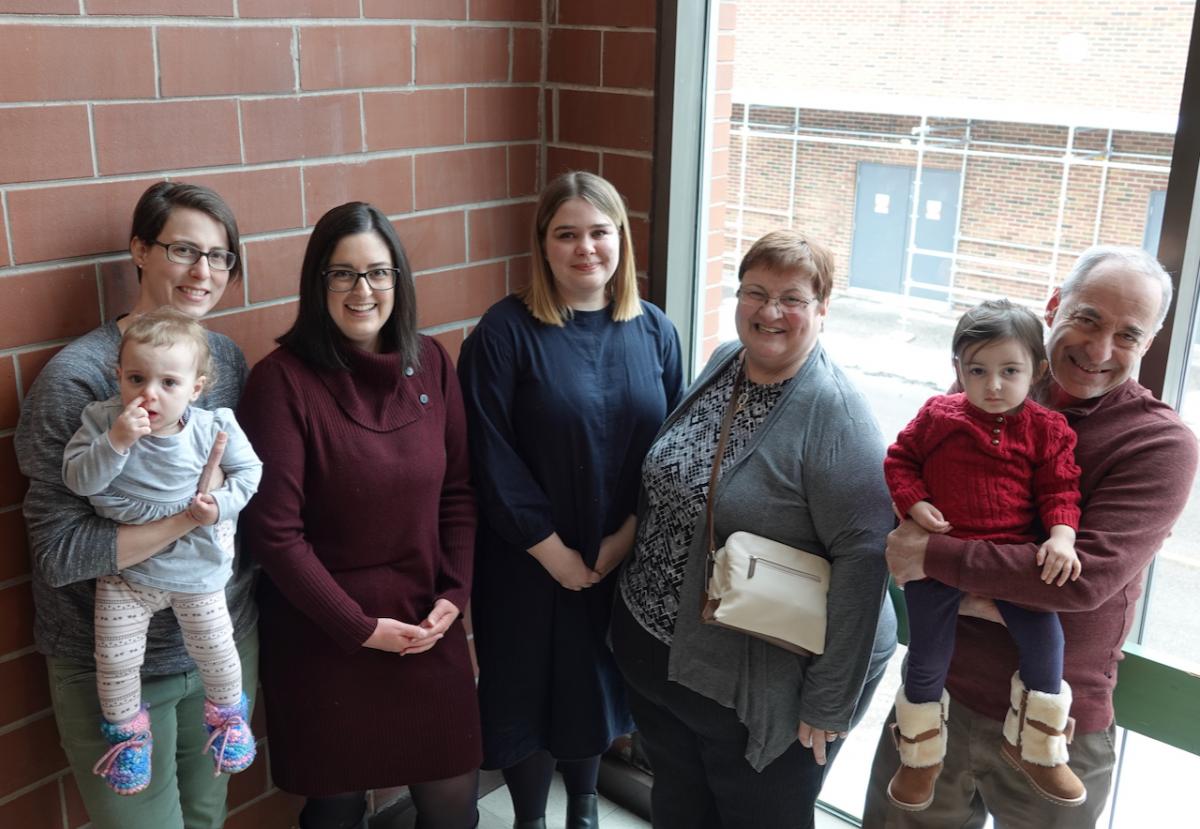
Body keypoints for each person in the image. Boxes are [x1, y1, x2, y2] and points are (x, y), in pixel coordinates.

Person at [864, 245, 1200, 828]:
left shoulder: (1159, 445)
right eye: (1088, 318)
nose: (1099, 350)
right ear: (1053, 306)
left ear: (1150, 344)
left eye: (1127, 334)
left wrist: (940, 560)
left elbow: (1080, 583)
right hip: (936, 704)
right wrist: (990, 572)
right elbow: (911, 512)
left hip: (1056, 732)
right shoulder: (986, 390)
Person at [612, 229, 897, 829]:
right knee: (679, 807)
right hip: (665, 666)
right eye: (755, 292)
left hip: (755, 690)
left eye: (792, 298)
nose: (770, 312)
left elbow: (867, 560)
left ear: (823, 310)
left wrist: (828, 700)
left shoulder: (836, 416)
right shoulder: (726, 363)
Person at [14, 182, 258, 829]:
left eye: (220, 256)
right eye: (184, 249)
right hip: (116, 666)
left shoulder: (224, 361)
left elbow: (245, 485)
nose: (203, 272)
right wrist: (186, 520)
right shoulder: (79, 381)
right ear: (140, 251)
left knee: (207, 821)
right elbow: (59, 553)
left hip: (216, 645)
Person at [238, 202, 481, 829]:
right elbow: (275, 535)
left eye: (378, 272)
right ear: (317, 284)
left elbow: (457, 491)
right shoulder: (281, 383)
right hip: (326, 635)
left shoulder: (431, 362)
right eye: (341, 274)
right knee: (336, 808)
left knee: (455, 799)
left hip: (427, 620)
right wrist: (358, 627)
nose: (362, 290)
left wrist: (455, 593)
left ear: (399, 280)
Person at [457, 171, 683, 829]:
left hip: (619, 557)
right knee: (526, 693)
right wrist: (551, 551)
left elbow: (674, 447)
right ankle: (532, 818)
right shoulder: (504, 332)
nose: (585, 248)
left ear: (621, 241)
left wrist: (626, 538)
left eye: (598, 232)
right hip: (526, 563)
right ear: (543, 244)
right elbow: (488, 450)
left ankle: (582, 812)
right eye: (567, 234)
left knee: (594, 685)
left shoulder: (654, 330)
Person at [882, 299, 1084, 811]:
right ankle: (919, 756)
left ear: (1037, 371)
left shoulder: (1047, 430)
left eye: (1009, 371)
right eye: (977, 371)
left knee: (1046, 645)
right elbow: (900, 460)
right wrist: (915, 502)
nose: (993, 385)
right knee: (928, 656)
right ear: (958, 370)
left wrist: (1061, 537)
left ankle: (1039, 747)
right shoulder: (938, 416)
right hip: (937, 559)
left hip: (1012, 557)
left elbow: (1060, 490)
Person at [62, 308, 262, 794]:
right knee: (113, 659)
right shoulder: (102, 421)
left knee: (217, 649)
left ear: (195, 388)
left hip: (196, 571)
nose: (149, 393)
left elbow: (250, 474)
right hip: (129, 577)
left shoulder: (213, 427)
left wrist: (218, 507)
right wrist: (116, 442)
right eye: (136, 378)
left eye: (168, 382)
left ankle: (228, 718)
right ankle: (128, 737)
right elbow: (77, 480)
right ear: (118, 377)